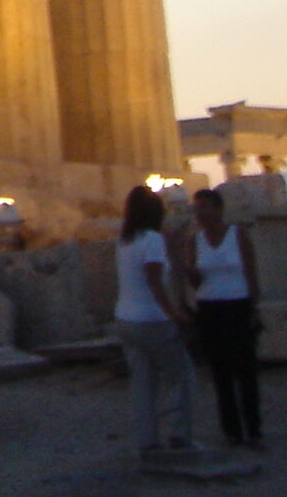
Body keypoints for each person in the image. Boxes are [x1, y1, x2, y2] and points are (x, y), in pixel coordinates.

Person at [112, 182, 194, 455]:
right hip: (151, 319)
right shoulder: (152, 240)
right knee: (181, 376)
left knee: (142, 382)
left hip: (125, 318)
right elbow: (155, 282)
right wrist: (175, 315)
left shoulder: (124, 240)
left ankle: (147, 440)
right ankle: (179, 435)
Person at [182, 187, 264, 447]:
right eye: (197, 208)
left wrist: (255, 307)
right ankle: (231, 430)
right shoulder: (195, 241)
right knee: (220, 372)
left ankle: (253, 429)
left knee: (245, 370)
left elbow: (250, 271)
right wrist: (189, 272)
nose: (201, 213)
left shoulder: (237, 235)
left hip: (238, 305)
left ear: (218, 209)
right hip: (209, 308)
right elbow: (196, 282)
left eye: (205, 207)